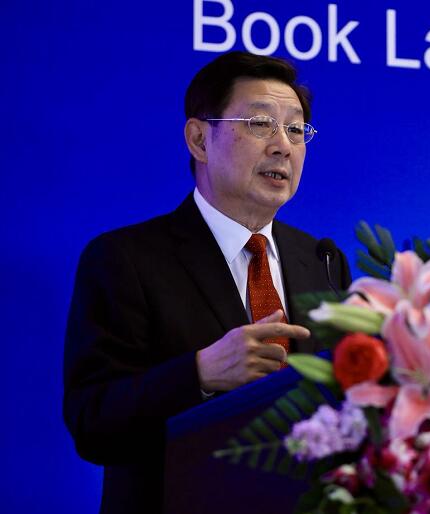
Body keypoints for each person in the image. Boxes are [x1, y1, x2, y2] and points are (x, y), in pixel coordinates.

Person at [63, 51, 351, 514]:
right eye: (261, 123)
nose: (283, 146)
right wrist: (197, 374)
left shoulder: (323, 261)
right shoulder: (126, 259)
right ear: (199, 139)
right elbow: (92, 422)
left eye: (296, 130)